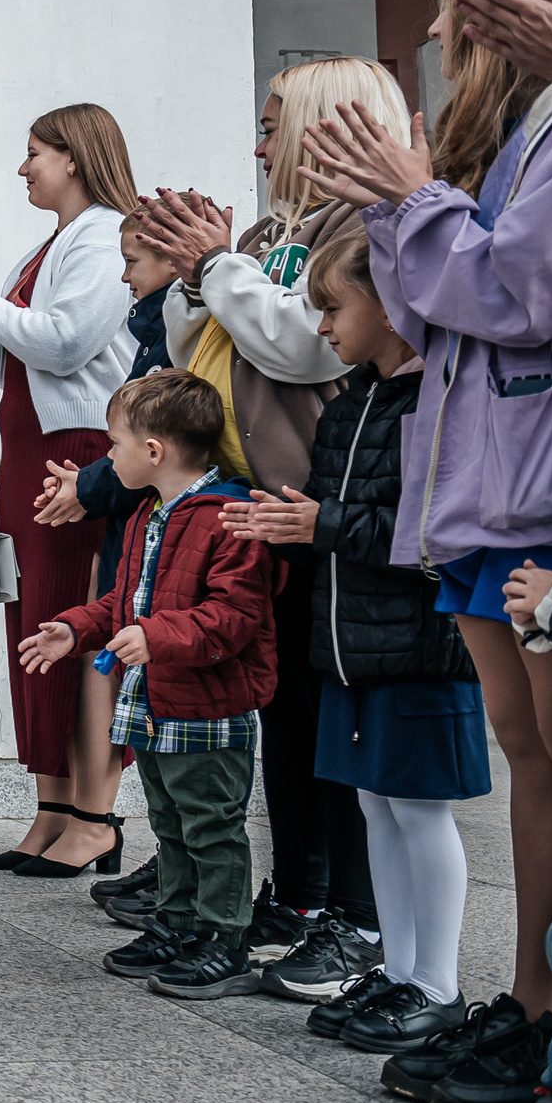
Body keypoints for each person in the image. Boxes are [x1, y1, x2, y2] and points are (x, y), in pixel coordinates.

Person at [301, 0, 552, 1103]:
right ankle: (531, 1003)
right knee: (532, 763)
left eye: (467, 8)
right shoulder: (501, 146)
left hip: (529, 494)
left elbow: (515, 294)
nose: (446, 36)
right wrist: (397, 205)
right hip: (482, 499)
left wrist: (416, 202)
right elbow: (431, 307)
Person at [137, 59, 412, 969]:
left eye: (271, 127)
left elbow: (302, 348)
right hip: (253, 508)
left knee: (326, 717)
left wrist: (218, 267)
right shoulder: (265, 234)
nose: (259, 149)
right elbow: (205, 342)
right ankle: (297, 892)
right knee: (282, 715)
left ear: (323, 126)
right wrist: (197, 278)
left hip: (315, 507)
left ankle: (351, 913)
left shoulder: (362, 226)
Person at [225, 228, 487, 1030]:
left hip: (418, 648)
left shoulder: (440, 398)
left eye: (334, 308)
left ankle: (436, 988)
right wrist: (292, 527)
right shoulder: (350, 403)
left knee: (418, 810)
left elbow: (438, 533)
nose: (323, 326)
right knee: (377, 806)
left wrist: (323, 524)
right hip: (351, 649)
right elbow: (340, 521)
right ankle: (396, 972)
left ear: (394, 305)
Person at [0, 105, 138, 874]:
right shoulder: (47, 247)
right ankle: (51, 809)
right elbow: (7, 361)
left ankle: (93, 820)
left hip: (73, 456)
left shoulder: (105, 237)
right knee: (33, 628)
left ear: (74, 157)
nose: (23, 167)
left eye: (35, 152)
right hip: (28, 457)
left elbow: (66, 344)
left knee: (71, 625)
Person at [23, 371, 277, 1000]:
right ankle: (178, 926)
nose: (109, 458)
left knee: (211, 828)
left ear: (154, 450)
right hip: (155, 706)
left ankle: (224, 942)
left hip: (207, 713)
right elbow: (123, 602)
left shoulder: (227, 518)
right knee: (170, 823)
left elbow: (234, 617)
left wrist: (156, 637)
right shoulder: (147, 515)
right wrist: (75, 629)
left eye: (115, 445)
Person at [32, 207, 176, 918]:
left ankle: (101, 821)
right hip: (133, 517)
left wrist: (90, 485)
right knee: (110, 665)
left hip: (154, 521)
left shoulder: (179, 328)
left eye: (133, 263)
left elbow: (164, 439)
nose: (123, 278)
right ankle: (107, 827)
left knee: (136, 679)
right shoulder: (155, 327)